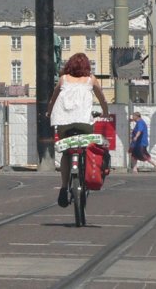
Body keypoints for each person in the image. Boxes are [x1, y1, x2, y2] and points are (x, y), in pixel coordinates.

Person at [46, 52, 109, 207]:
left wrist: (48, 112)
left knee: (67, 152)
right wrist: (105, 112)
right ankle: (84, 176)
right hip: (83, 122)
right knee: (87, 148)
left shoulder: (62, 80)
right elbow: (102, 98)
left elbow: (52, 100)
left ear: (70, 66)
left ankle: (63, 187)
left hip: (63, 122)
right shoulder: (91, 80)